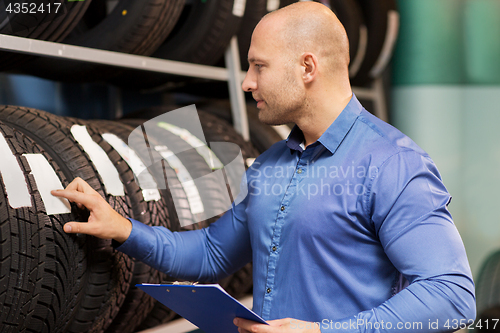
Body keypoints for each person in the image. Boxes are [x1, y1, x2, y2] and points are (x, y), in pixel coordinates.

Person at [52, 2, 476, 332]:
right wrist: (122, 227)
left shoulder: (392, 163)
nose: (246, 82)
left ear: (307, 67)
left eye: (259, 66)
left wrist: (323, 332)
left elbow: (451, 295)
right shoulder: (271, 165)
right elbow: (212, 253)